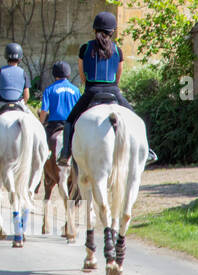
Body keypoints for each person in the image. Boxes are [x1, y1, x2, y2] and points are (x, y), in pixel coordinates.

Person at [57, 12, 157, 165]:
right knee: (137, 120)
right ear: (112, 31)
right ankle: (147, 151)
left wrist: (89, 86)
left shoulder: (85, 49)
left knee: (70, 120)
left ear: (94, 29)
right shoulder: (118, 50)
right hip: (113, 91)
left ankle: (65, 153)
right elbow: (118, 77)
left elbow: (83, 76)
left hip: (92, 91)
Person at [39, 60, 81, 156]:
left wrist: (40, 124)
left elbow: (44, 110)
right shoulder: (76, 90)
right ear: (68, 74)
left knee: (42, 146)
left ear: (54, 74)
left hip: (55, 125)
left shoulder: (49, 90)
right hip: (72, 125)